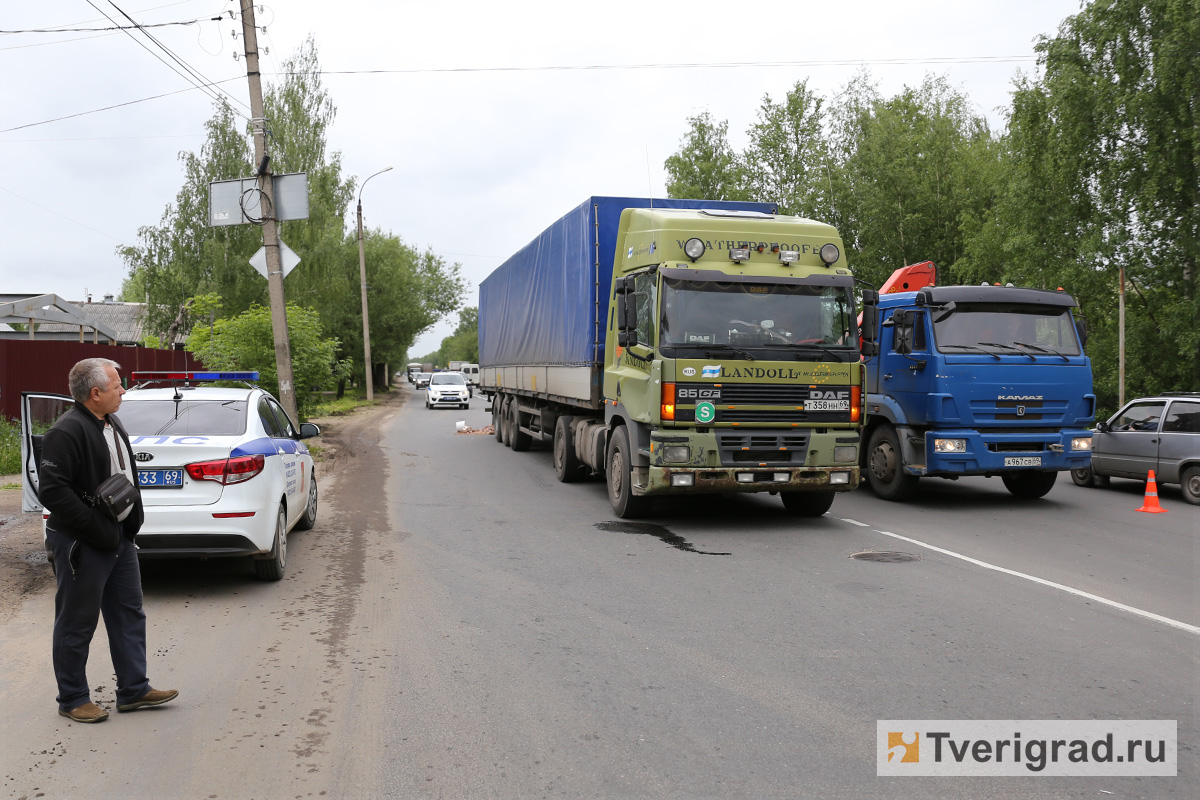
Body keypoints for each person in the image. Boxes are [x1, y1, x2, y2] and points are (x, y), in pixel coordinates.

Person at [38, 358, 177, 723]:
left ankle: (134, 689)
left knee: (129, 614)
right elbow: (53, 493)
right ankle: (72, 698)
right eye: (117, 385)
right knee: (77, 622)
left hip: (119, 541)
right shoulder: (65, 432)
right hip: (82, 545)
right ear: (95, 393)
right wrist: (98, 531)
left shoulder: (110, 421)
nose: (123, 391)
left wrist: (126, 529)